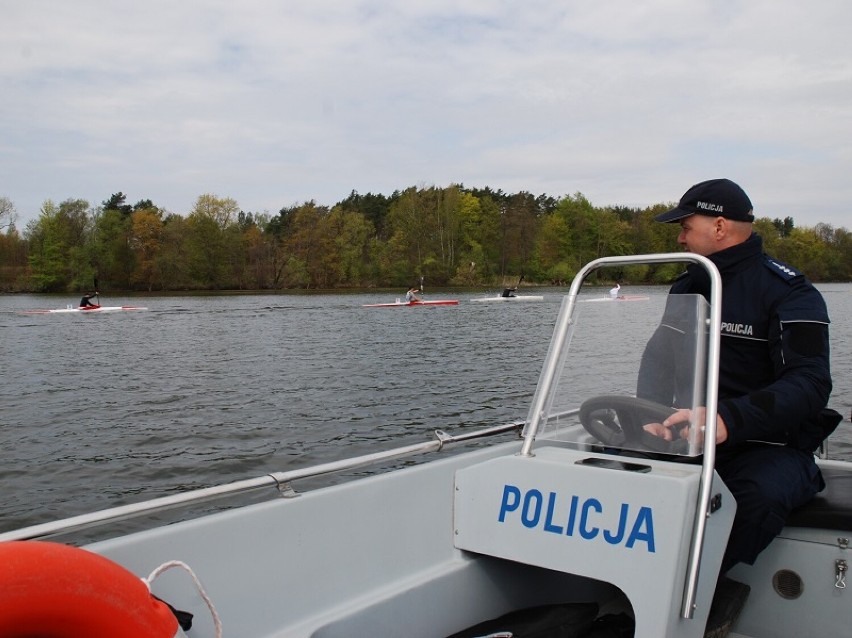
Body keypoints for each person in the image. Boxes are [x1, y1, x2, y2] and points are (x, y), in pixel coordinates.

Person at [636, 178, 841, 637]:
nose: (680, 237)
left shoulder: (791, 293)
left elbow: (810, 384)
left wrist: (729, 419)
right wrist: (648, 416)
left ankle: (698, 595)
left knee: (758, 498)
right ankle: (624, 590)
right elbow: (659, 360)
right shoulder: (688, 287)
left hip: (769, 445)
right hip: (690, 436)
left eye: (686, 226)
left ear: (721, 226)